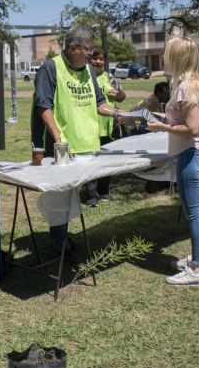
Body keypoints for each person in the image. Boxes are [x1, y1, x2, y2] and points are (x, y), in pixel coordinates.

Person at [31, 26, 130, 253]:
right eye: (86, 50)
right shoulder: (50, 68)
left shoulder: (88, 71)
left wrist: (120, 114)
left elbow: (100, 105)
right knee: (60, 195)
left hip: (88, 145)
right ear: (73, 47)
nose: (90, 55)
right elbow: (43, 107)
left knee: (73, 195)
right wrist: (58, 139)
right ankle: (59, 242)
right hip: (63, 147)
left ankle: (63, 238)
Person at [146, 37, 199, 286]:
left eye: (167, 53)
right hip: (195, 153)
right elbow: (183, 119)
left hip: (191, 154)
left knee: (194, 213)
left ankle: (197, 270)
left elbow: (192, 128)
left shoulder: (186, 87)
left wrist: (161, 127)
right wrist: (161, 119)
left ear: (175, 57)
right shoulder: (191, 84)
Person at [85, 46, 126, 206]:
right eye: (95, 58)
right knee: (91, 160)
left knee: (107, 160)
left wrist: (119, 95)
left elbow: (122, 96)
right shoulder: (85, 77)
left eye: (101, 59)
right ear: (89, 60)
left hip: (110, 128)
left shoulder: (110, 77)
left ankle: (104, 190)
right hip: (90, 126)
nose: (98, 62)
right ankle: (91, 194)